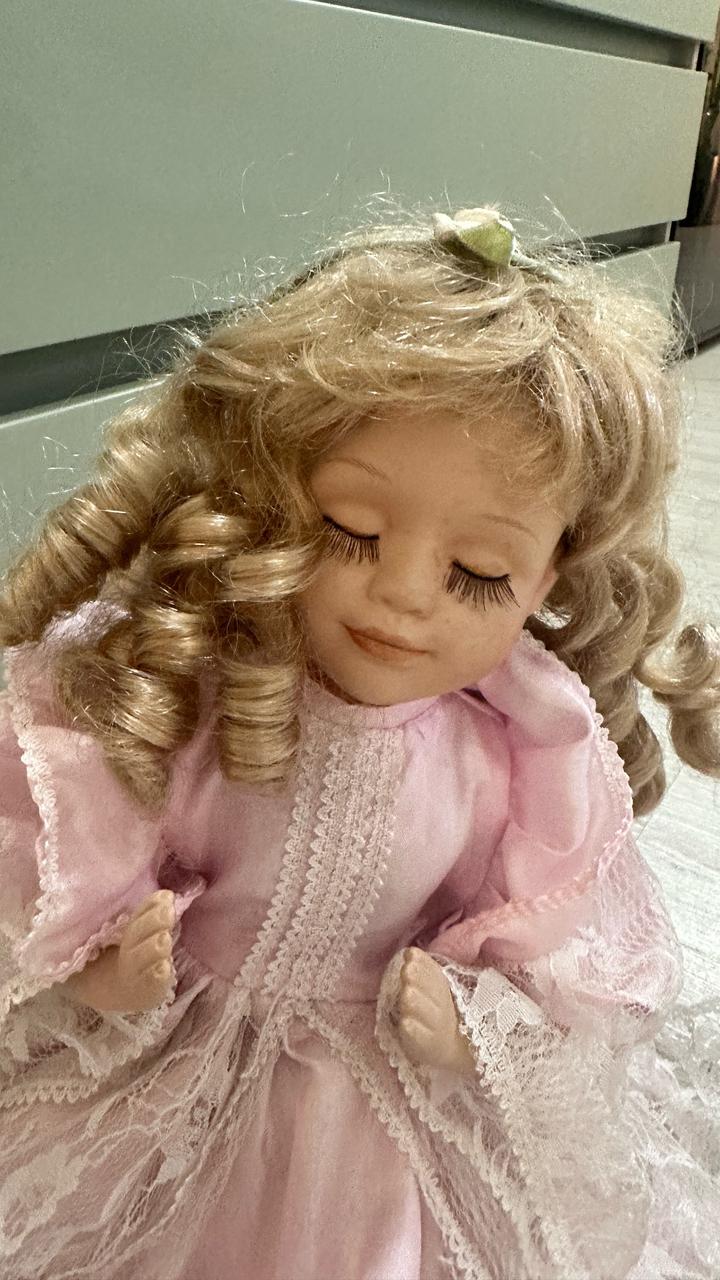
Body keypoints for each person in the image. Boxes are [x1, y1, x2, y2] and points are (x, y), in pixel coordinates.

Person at [0, 205, 718, 1279]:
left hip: (374, 1112)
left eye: (480, 571)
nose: (404, 593)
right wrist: (96, 971)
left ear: (547, 580)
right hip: (172, 1074)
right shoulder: (198, 706)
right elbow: (58, 849)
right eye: (352, 529)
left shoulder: (515, 760)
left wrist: (474, 1025)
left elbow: (560, 955)